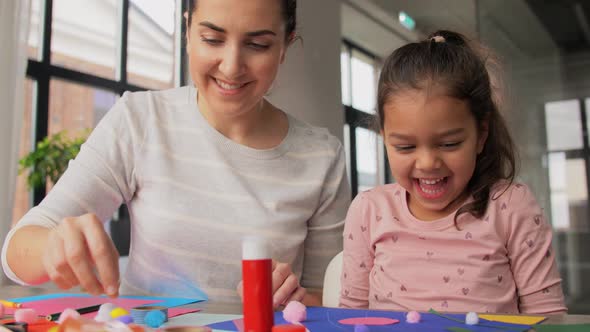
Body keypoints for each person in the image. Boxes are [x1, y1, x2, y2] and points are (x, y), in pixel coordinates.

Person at [2, 0, 350, 307]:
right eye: (212, 39)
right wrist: (54, 247)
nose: (230, 66)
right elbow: (16, 252)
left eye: (257, 45)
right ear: (187, 31)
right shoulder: (141, 119)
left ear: (285, 45)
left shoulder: (320, 156)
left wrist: (294, 300)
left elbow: (329, 298)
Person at [339, 30, 566, 314]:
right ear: (384, 137)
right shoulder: (369, 211)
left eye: (449, 144)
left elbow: (548, 317)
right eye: (406, 147)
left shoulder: (510, 206)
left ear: (481, 134)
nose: (427, 163)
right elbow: (350, 318)